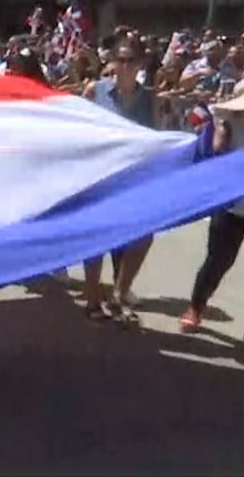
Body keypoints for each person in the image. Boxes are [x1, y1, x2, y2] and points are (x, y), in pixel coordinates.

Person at [180, 75, 244, 348]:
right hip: (233, 205)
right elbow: (216, 153)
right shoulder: (230, 124)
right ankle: (196, 307)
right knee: (218, 260)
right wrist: (220, 128)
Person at [80, 41, 156, 323]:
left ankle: (119, 294)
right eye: (121, 60)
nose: (125, 66)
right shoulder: (95, 91)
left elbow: (156, 136)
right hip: (100, 175)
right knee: (96, 236)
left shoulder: (149, 98)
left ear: (139, 64)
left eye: (131, 60)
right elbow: (79, 128)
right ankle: (91, 298)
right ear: (113, 61)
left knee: (142, 236)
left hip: (134, 178)